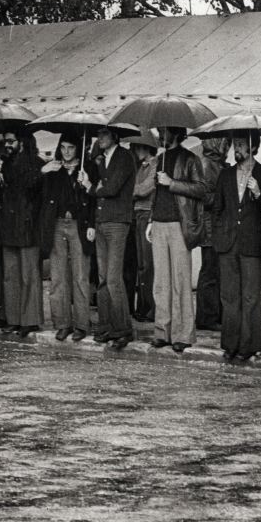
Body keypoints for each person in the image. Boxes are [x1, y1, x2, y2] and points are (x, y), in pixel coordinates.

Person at [212, 131, 261, 364]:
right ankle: (230, 344)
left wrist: (258, 192)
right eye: (234, 145)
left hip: (251, 243)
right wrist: (219, 237)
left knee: (250, 295)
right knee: (229, 296)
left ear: (253, 147)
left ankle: (250, 344)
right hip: (228, 244)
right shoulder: (225, 175)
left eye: (241, 145)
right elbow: (217, 209)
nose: (236, 149)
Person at [147, 126, 206, 353]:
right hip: (160, 223)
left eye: (164, 131)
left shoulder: (190, 159)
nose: (161, 135)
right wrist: (152, 220)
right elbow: (156, 193)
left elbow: (201, 189)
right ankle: (163, 332)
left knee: (181, 281)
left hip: (180, 225)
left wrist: (171, 182)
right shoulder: (159, 158)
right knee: (160, 282)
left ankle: (183, 334)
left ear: (175, 133)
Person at [40, 135, 95, 341]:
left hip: (78, 225)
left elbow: (93, 201)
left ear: (77, 149)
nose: (66, 152)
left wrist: (91, 224)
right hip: (57, 224)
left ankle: (81, 324)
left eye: (71, 147)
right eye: (63, 147)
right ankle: (62, 323)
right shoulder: (54, 170)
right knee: (58, 276)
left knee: (80, 275)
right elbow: (41, 196)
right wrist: (43, 172)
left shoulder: (87, 168)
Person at [92, 125, 138, 349]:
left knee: (113, 277)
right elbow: (105, 186)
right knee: (102, 277)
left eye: (104, 134)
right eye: (98, 134)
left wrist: (93, 188)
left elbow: (112, 188)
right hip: (101, 220)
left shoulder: (125, 157)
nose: (100, 138)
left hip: (118, 221)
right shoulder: (101, 159)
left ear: (114, 136)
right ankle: (105, 324)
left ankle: (123, 328)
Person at [0, 131, 44, 338]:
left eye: (11, 141)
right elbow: (8, 194)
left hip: (28, 226)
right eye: (6, 141)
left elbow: (27, 187)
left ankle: (30, 320)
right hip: (9, 225)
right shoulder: (6, 165)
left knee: (29, 276)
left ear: (22, 143)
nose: (7, 145)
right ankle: (13, 318)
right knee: (11, 276)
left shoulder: (37, 164)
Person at [195, 136, 228, 331]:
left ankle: (214, 315)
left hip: (216, 225)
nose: (227, 145)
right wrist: (224, 196)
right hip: (210, 226)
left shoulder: (217, 164)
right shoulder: (208, 165)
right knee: (209, 272)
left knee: (216, 272)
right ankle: (206, 317)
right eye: (225, 142)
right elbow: (204, 197)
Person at [128, 132, 157, 322]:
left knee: (148, 265)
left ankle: (150, 308)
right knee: (141, 265)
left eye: (139, 147)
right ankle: (144, 306)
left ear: (147, 147)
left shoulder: (154, 165)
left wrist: (130, 191)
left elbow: (142, 189)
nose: (136, 151)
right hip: (138, 214)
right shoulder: (142, 167)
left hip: (147, 214)